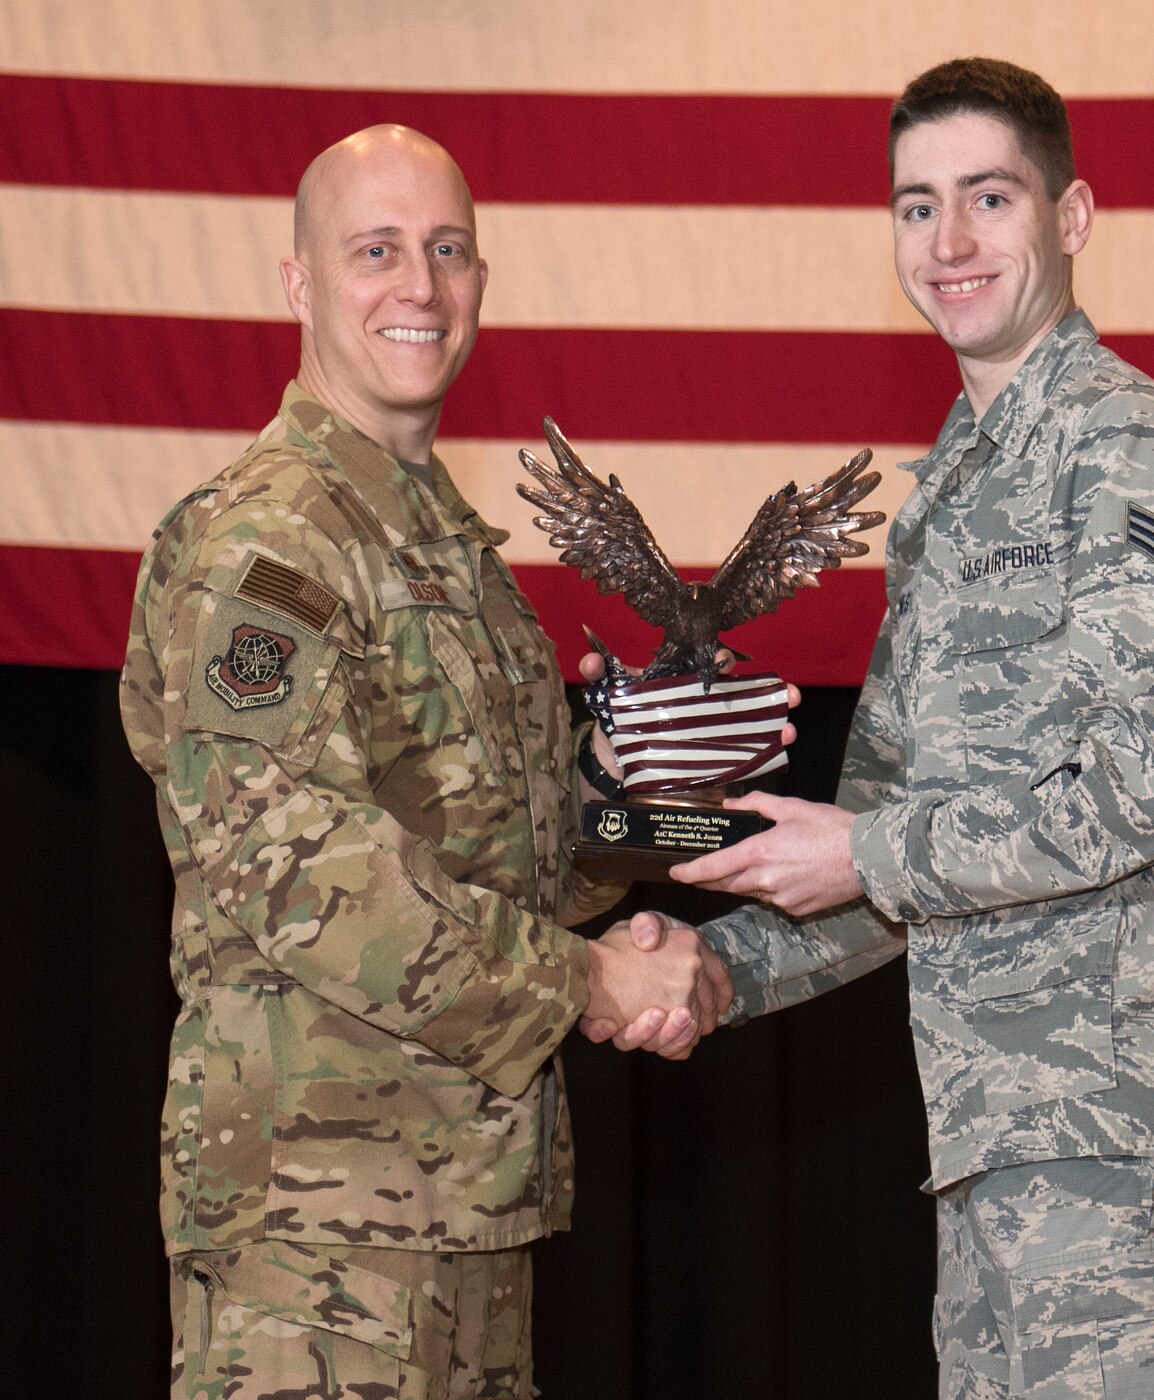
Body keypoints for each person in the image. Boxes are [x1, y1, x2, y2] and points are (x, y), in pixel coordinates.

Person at [597, 58, 1154, 1398]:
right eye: (918, 207)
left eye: (988, 198)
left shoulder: (1127, 445)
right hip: (1001, 1137)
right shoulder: (953, 493)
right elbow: (885, 846)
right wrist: (722, 968)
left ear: (1071, 217)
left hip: (1118, 1123)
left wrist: (872, 856)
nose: (950, 244)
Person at [120, 124, 730, 1398]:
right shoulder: (272, 544)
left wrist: (671, 817)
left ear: (482, 282)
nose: (419, 286)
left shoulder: (449, 551)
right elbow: (297, 872)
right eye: (377, 251)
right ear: (300, 284)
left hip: (461, 1212)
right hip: (313, 1228)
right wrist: (590, 985)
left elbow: (519, 856)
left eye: (447, 251)